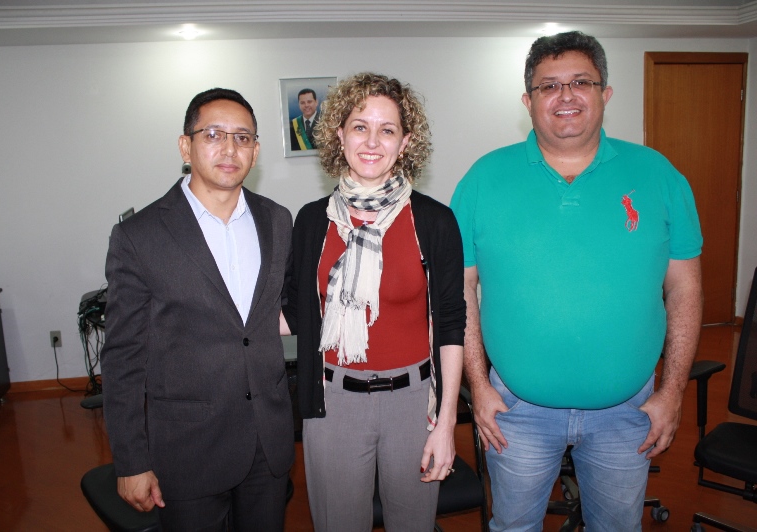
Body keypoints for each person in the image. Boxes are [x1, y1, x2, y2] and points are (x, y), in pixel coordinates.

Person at [450, 31, 703, 531]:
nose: (565, 96)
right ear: (528, 102)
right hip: (515, 412)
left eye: (580, 82)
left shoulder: (659, 176)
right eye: (548, 86)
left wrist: (672, 390)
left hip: (627, 412)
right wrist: (478, 386)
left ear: (605, 93)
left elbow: (685, 290)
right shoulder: (483, 179)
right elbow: (459, 291)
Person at [101, 88, 294, 531]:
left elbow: (271, 314)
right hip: (188, 448)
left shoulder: (277, 220)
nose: (229, 148)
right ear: (185, 147)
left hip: (267, 442)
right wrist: (130, 460)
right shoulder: (139, 235)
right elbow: (123, 356)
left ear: (256, 151)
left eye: (242, 137)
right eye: (213, 135)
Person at [281, 72, 466, 531]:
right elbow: (294, 313)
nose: (371, 141)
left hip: (415, 404)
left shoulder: (434, 221)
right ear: (339, 134)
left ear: (405, 142)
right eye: (360, 127)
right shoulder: (312, 222)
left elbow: (450, 323)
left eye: (387, 130)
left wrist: (446, 424)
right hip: (333, 402)